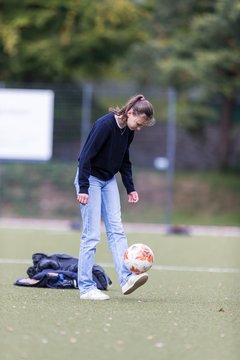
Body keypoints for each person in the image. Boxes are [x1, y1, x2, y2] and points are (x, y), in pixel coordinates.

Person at [74, 94, 155, 300]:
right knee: (91, 235)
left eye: (142, 126)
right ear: (130, 113)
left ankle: (126, 277)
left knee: (117, 230)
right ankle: (86, 287)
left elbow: (124, 160)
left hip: (107, 180)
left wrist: (130, 187)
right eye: (138, 123)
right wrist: (83, 187)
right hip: (90, 179)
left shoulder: (128, 131)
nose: (138, 128)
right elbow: (85, 156)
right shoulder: (104, 125)